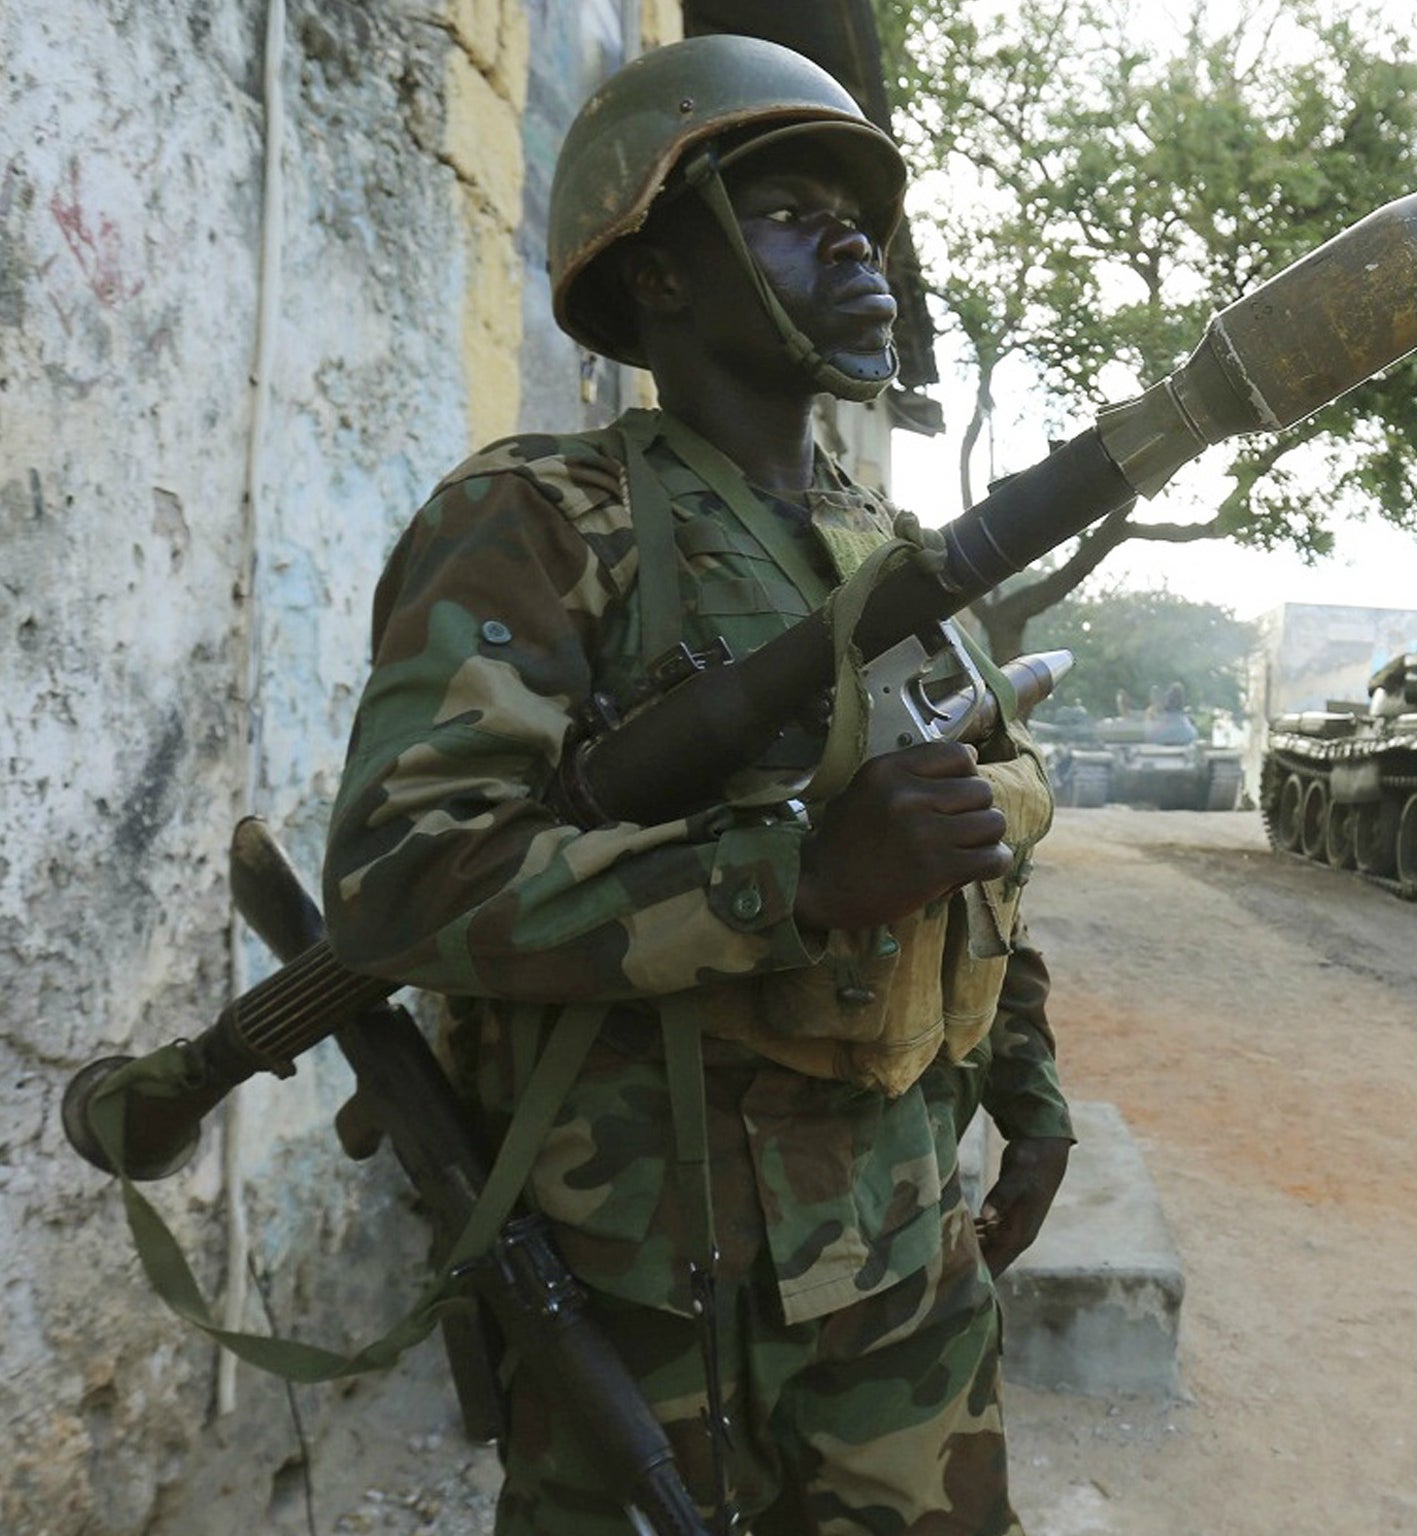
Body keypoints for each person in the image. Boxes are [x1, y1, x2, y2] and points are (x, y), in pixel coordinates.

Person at [323, 35, 1072, 1535]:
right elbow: (406, 887)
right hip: (665, 1303)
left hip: (906, 1266)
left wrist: (1028, 1079)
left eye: (860, 214)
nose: (855, 241)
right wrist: (791, 877)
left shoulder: (880, 539)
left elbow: (965, 841)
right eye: (790, 211)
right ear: (659, 276)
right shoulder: (534, 521)